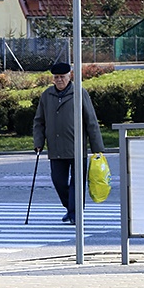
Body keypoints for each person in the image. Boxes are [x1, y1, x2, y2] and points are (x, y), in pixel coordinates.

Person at [33, 62, 105, 225]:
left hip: (77, 148)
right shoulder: (47, 95)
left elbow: (91, 121)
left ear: (69, 76)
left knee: (77, 183)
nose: (59, 80)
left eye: (62, 77)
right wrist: (38, 142)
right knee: (58, 181)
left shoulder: (79, 93)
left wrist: (97, 148)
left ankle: (75, 213)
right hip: (56, 147)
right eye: (56, 77)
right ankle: (70, 207)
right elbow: (39, 121)